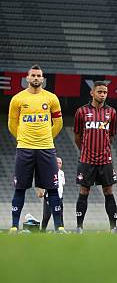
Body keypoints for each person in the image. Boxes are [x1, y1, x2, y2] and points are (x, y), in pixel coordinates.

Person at [7, 64, 65, 233]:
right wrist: (22, 138)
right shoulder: (17, 99)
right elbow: (12, 124)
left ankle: (59, 227)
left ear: (43, 79)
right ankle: (14, 226)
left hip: (46, 148)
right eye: (33, 75)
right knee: (20, 189)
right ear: (27, 78)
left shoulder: (51, 98)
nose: (36, 78)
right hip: (24, 148)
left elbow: (59, 123)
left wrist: (47, 137)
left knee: (53, 188)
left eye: (39, 76)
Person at [73, 81, 117, 233]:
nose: (102, 95)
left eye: (105, 92)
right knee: (84, 191)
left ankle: (113, 227)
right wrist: (85, 150)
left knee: (108, 191)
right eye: (99, 92)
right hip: (86, 160)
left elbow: (111, 136)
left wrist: (102, 149)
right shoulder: (81, 112)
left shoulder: (111, 112)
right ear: (92, 93)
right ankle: (79, 227)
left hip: (105, 160)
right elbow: (77, 136)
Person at [40, 157, 65, 232]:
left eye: (60, 163)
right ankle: (42, 230)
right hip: (49, 197)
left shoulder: (62, 173)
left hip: (59, 198)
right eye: (57, 162)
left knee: (60, 215)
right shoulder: (49, 172)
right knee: (46, 216)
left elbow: (62, 184)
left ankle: (61, 230)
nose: (58, 164)